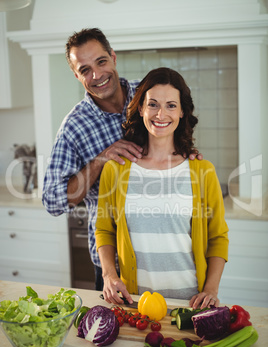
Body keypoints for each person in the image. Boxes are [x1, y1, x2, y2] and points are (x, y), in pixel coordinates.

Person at [42, 28, 202, 291]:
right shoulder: (75, 126)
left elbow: (178, 128)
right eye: (84, 70)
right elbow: (53, 201)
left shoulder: (149, 95)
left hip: (168, 254)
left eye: (101, 62)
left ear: (113, 58)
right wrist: (100, 161)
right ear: (76, 75)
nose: (96, 75)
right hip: (113, 264)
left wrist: (188, 152)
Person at [95, 67, 229, 309]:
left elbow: (218, 237)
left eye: (171, 105)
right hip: (134, 303)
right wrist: (108, 275)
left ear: (181, 113)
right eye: (153, 104)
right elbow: (104, 230)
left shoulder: (202, 170)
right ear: (141, 108)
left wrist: (210, 289)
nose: (161, 114)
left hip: (189, 303)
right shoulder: (116, 169)